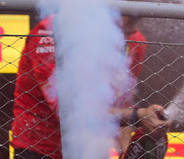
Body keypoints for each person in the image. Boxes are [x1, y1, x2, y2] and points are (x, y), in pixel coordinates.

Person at [10, 13, 170, 159]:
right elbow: (74, 112)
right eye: (119, 25)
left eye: (128, 29)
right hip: (40, 148)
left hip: (92, 150)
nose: (123, 36)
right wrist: (139, 116)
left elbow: (122, 102)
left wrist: (127, 151)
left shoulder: (134, 40)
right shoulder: (50, 32)